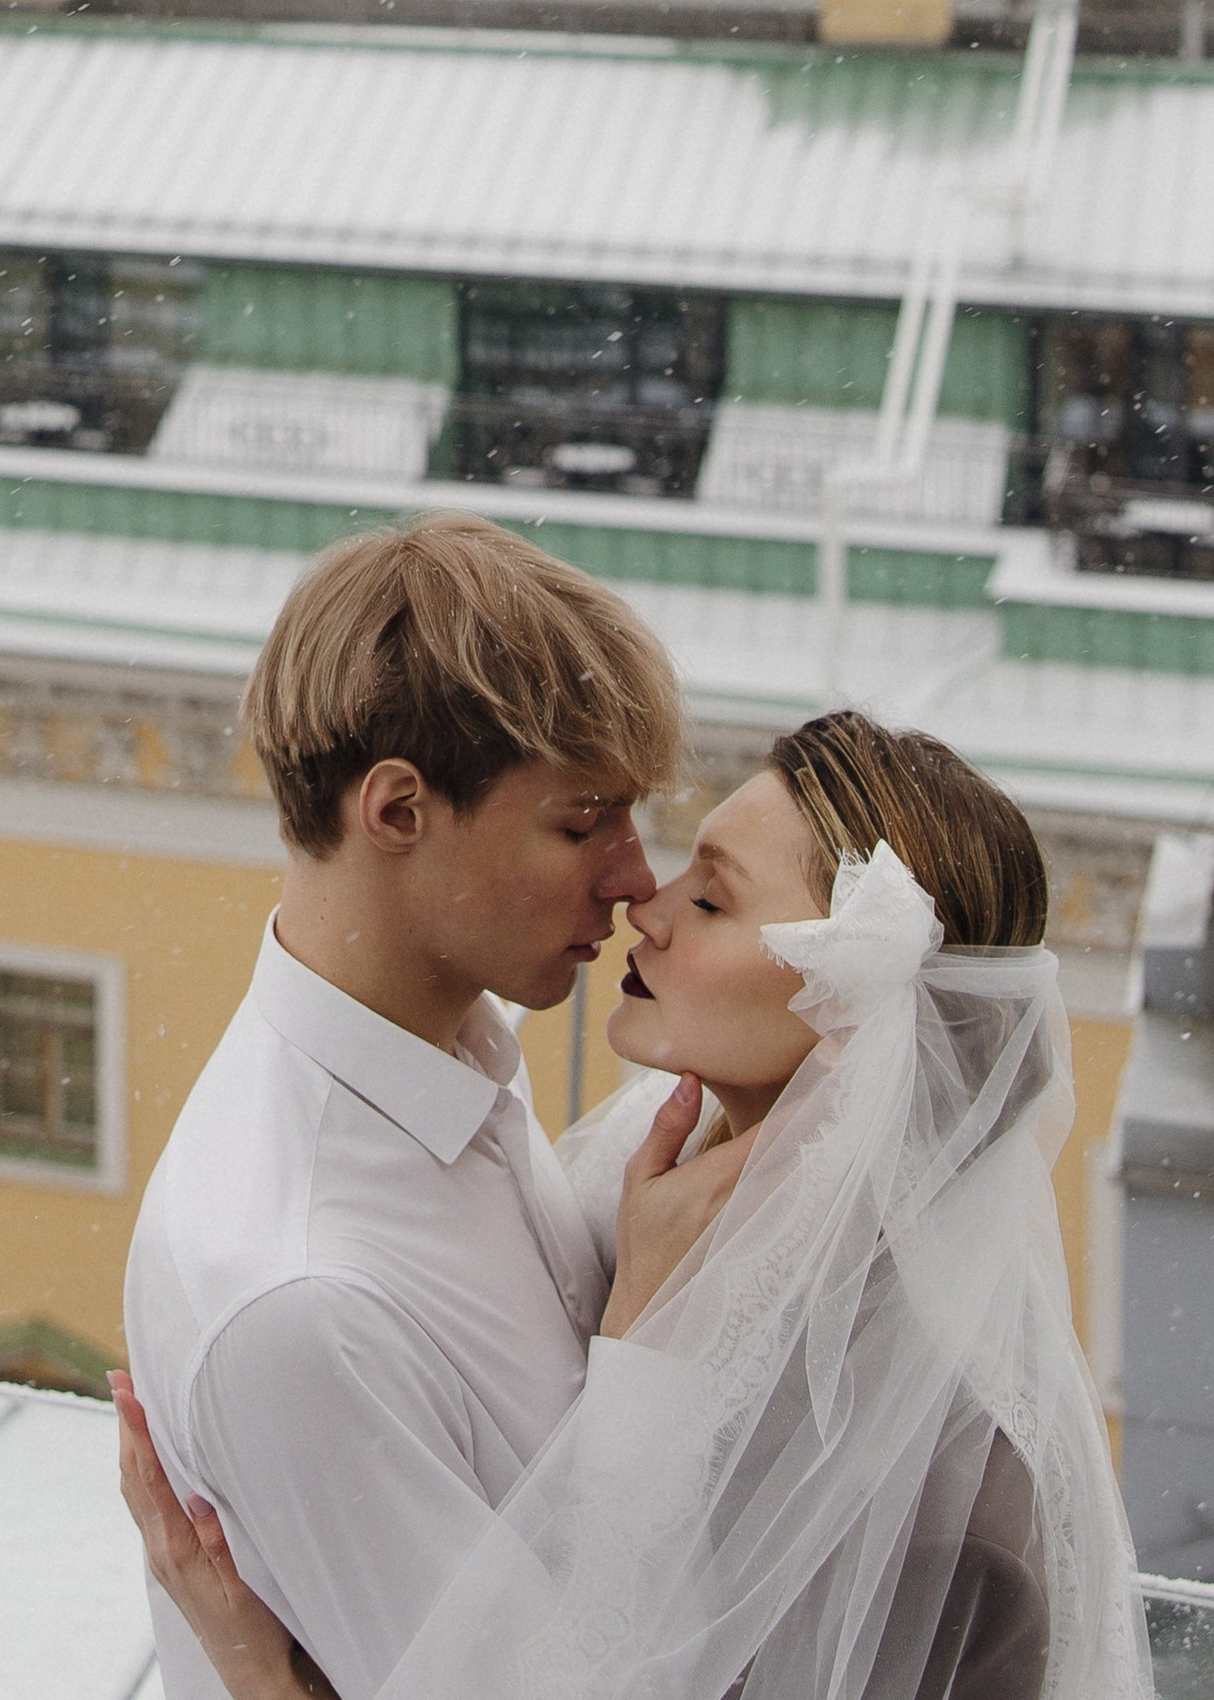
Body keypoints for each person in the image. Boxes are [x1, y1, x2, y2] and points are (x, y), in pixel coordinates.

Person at [119, 666, 1148, 1699]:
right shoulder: (630, 1199)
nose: (644, 906)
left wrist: (267, 1684)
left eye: (710, 898)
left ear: (856, 1019)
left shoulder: (945, 1536)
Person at [120, 515, 683, 1700]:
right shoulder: (301, 1304)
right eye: (581, 824)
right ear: (394, 812)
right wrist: (640, 1339)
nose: (635, 880)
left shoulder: (455, 1056)